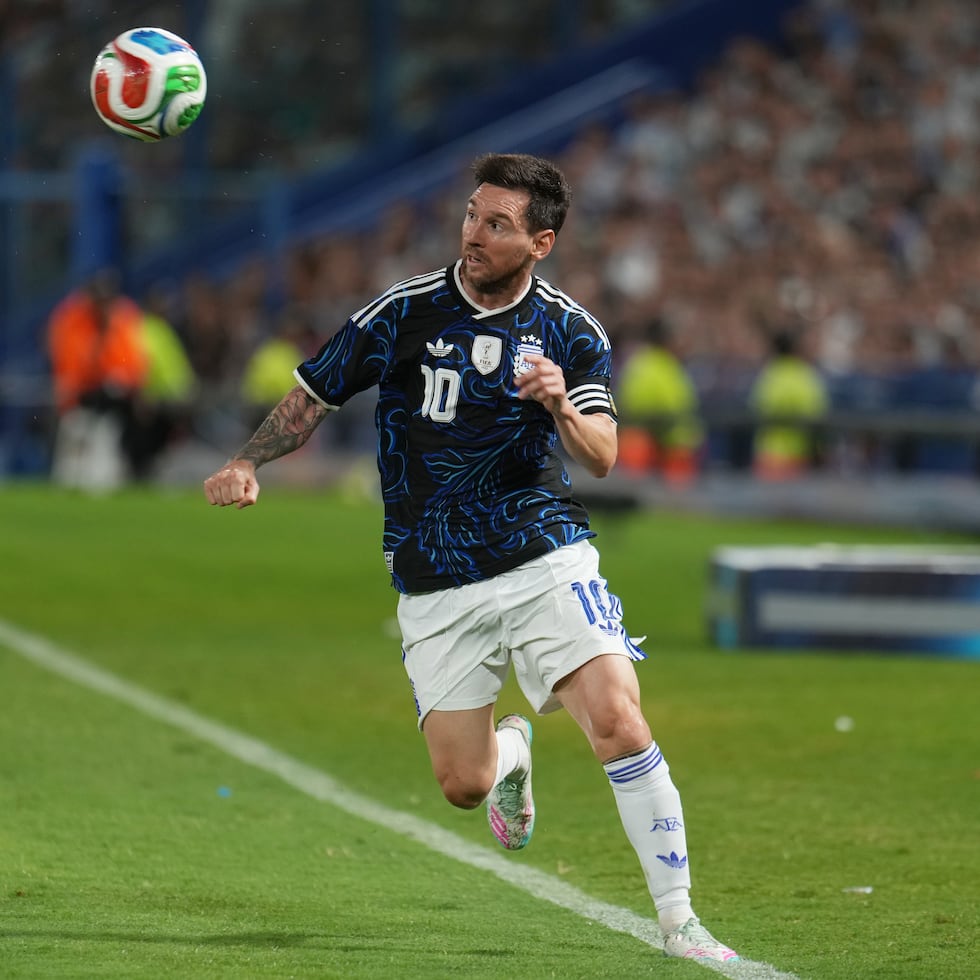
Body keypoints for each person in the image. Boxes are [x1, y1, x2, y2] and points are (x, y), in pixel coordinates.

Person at [203, 153, 739, 963]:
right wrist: (247, 460)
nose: (473, 235)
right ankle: (514, 749)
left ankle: (680, 920)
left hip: (541, 554)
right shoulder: (404, 311)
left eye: (497, 224)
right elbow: (313, 394)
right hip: (435, 575)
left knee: (619, 721)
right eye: (470, 216)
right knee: (463, 785)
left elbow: (602, 454)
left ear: (541, 242)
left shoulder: (570, 332)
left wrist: (560, 400)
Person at [46, 267, 148, 490]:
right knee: (71, 457)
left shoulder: (122, 317)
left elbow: (133, 362)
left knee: (105, 453)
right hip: (78, 399)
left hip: (109, 401)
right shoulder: (72, 319)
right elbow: (70, 365)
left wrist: (123, 381)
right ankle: (69, 485)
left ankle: (102, 484)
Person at [749, 328, 829, 480]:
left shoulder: (768, 375)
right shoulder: (805, 376)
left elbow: (756, 408)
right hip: (799, 455)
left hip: (769, 454)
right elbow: (818, 414)